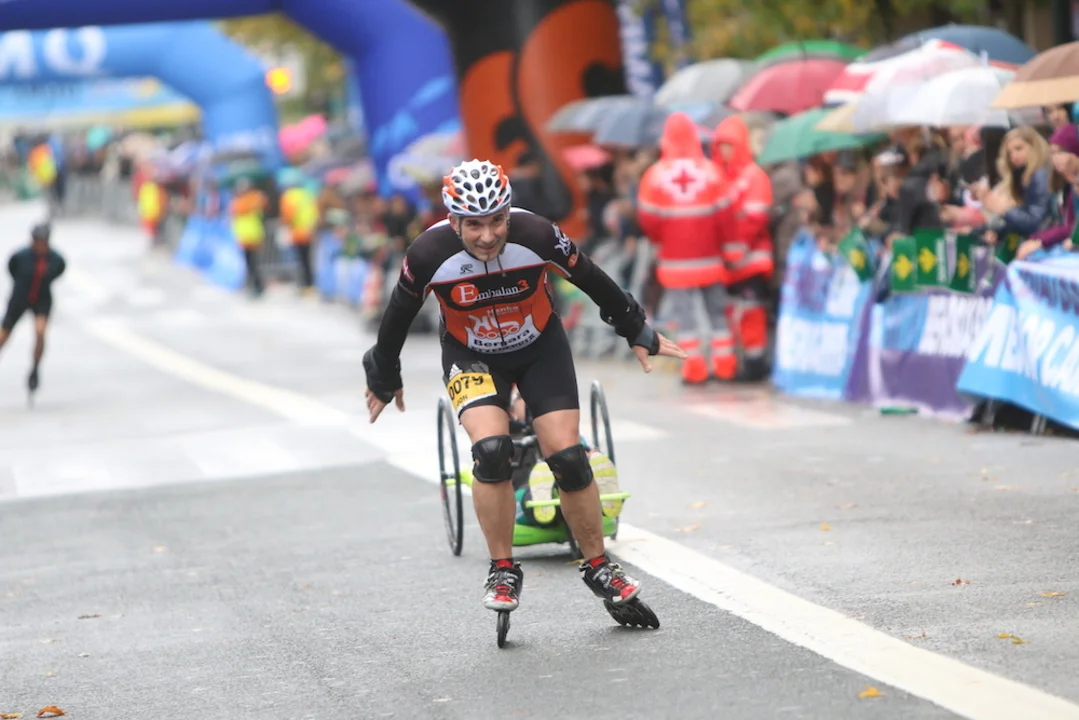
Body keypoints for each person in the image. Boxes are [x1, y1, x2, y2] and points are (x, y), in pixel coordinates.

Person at [362, 159, 685, 619]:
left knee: (568, 456)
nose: (487, 235)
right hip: (471, 354)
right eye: (474, 225)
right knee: (492, 451)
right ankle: (502, 569)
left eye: (497, 220)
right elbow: (397, 315)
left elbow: (591, 278)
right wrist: (383, 375)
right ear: (453, 221)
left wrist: (636, 329)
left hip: (539, 348)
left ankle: (598, 566)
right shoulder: (429, 253)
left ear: (508, 213)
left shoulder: (537, 235)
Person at [0, 223, 66, 392]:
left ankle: (35, 367)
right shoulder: (20, 256)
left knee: (40, 331)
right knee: (3, 334)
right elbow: (12, 269)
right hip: (19, 298)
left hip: (42, 299)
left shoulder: (55, 259)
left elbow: (59, 270)